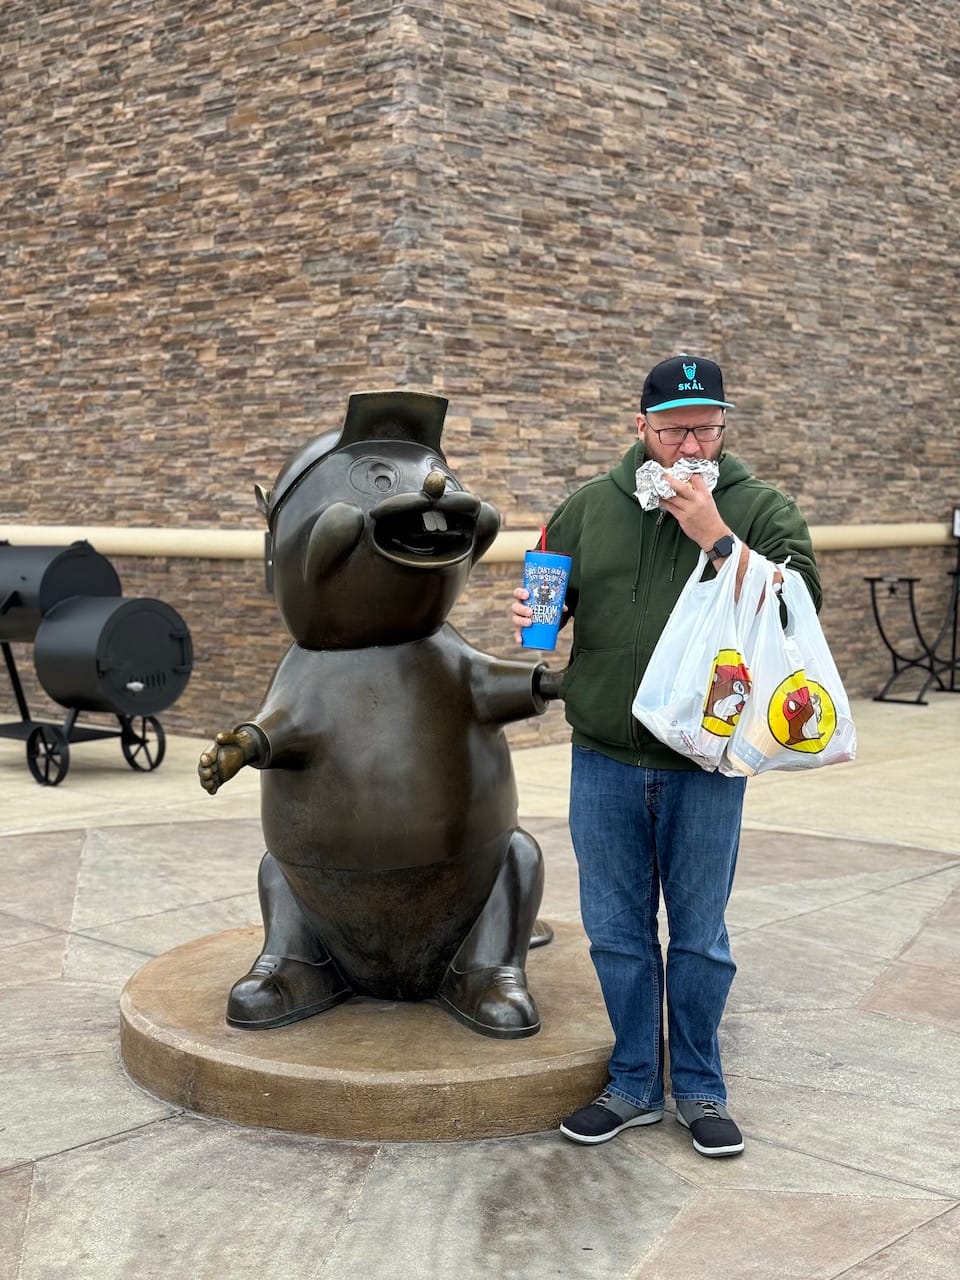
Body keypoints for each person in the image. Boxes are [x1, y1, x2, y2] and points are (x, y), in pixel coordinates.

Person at [512, 354, 819, 1158]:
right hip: (604, 757)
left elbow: (800, 610)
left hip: (708, 763)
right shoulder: (586, 507)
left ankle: (702, 1087)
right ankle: (635, 1085)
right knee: (615, 934)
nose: (692, 443)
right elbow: (548, 595)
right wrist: (531, 611)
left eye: (707, 426)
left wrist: (717, 537)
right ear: (640, 427)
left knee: (699, 937)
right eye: (676, 427)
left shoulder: (759, 506)